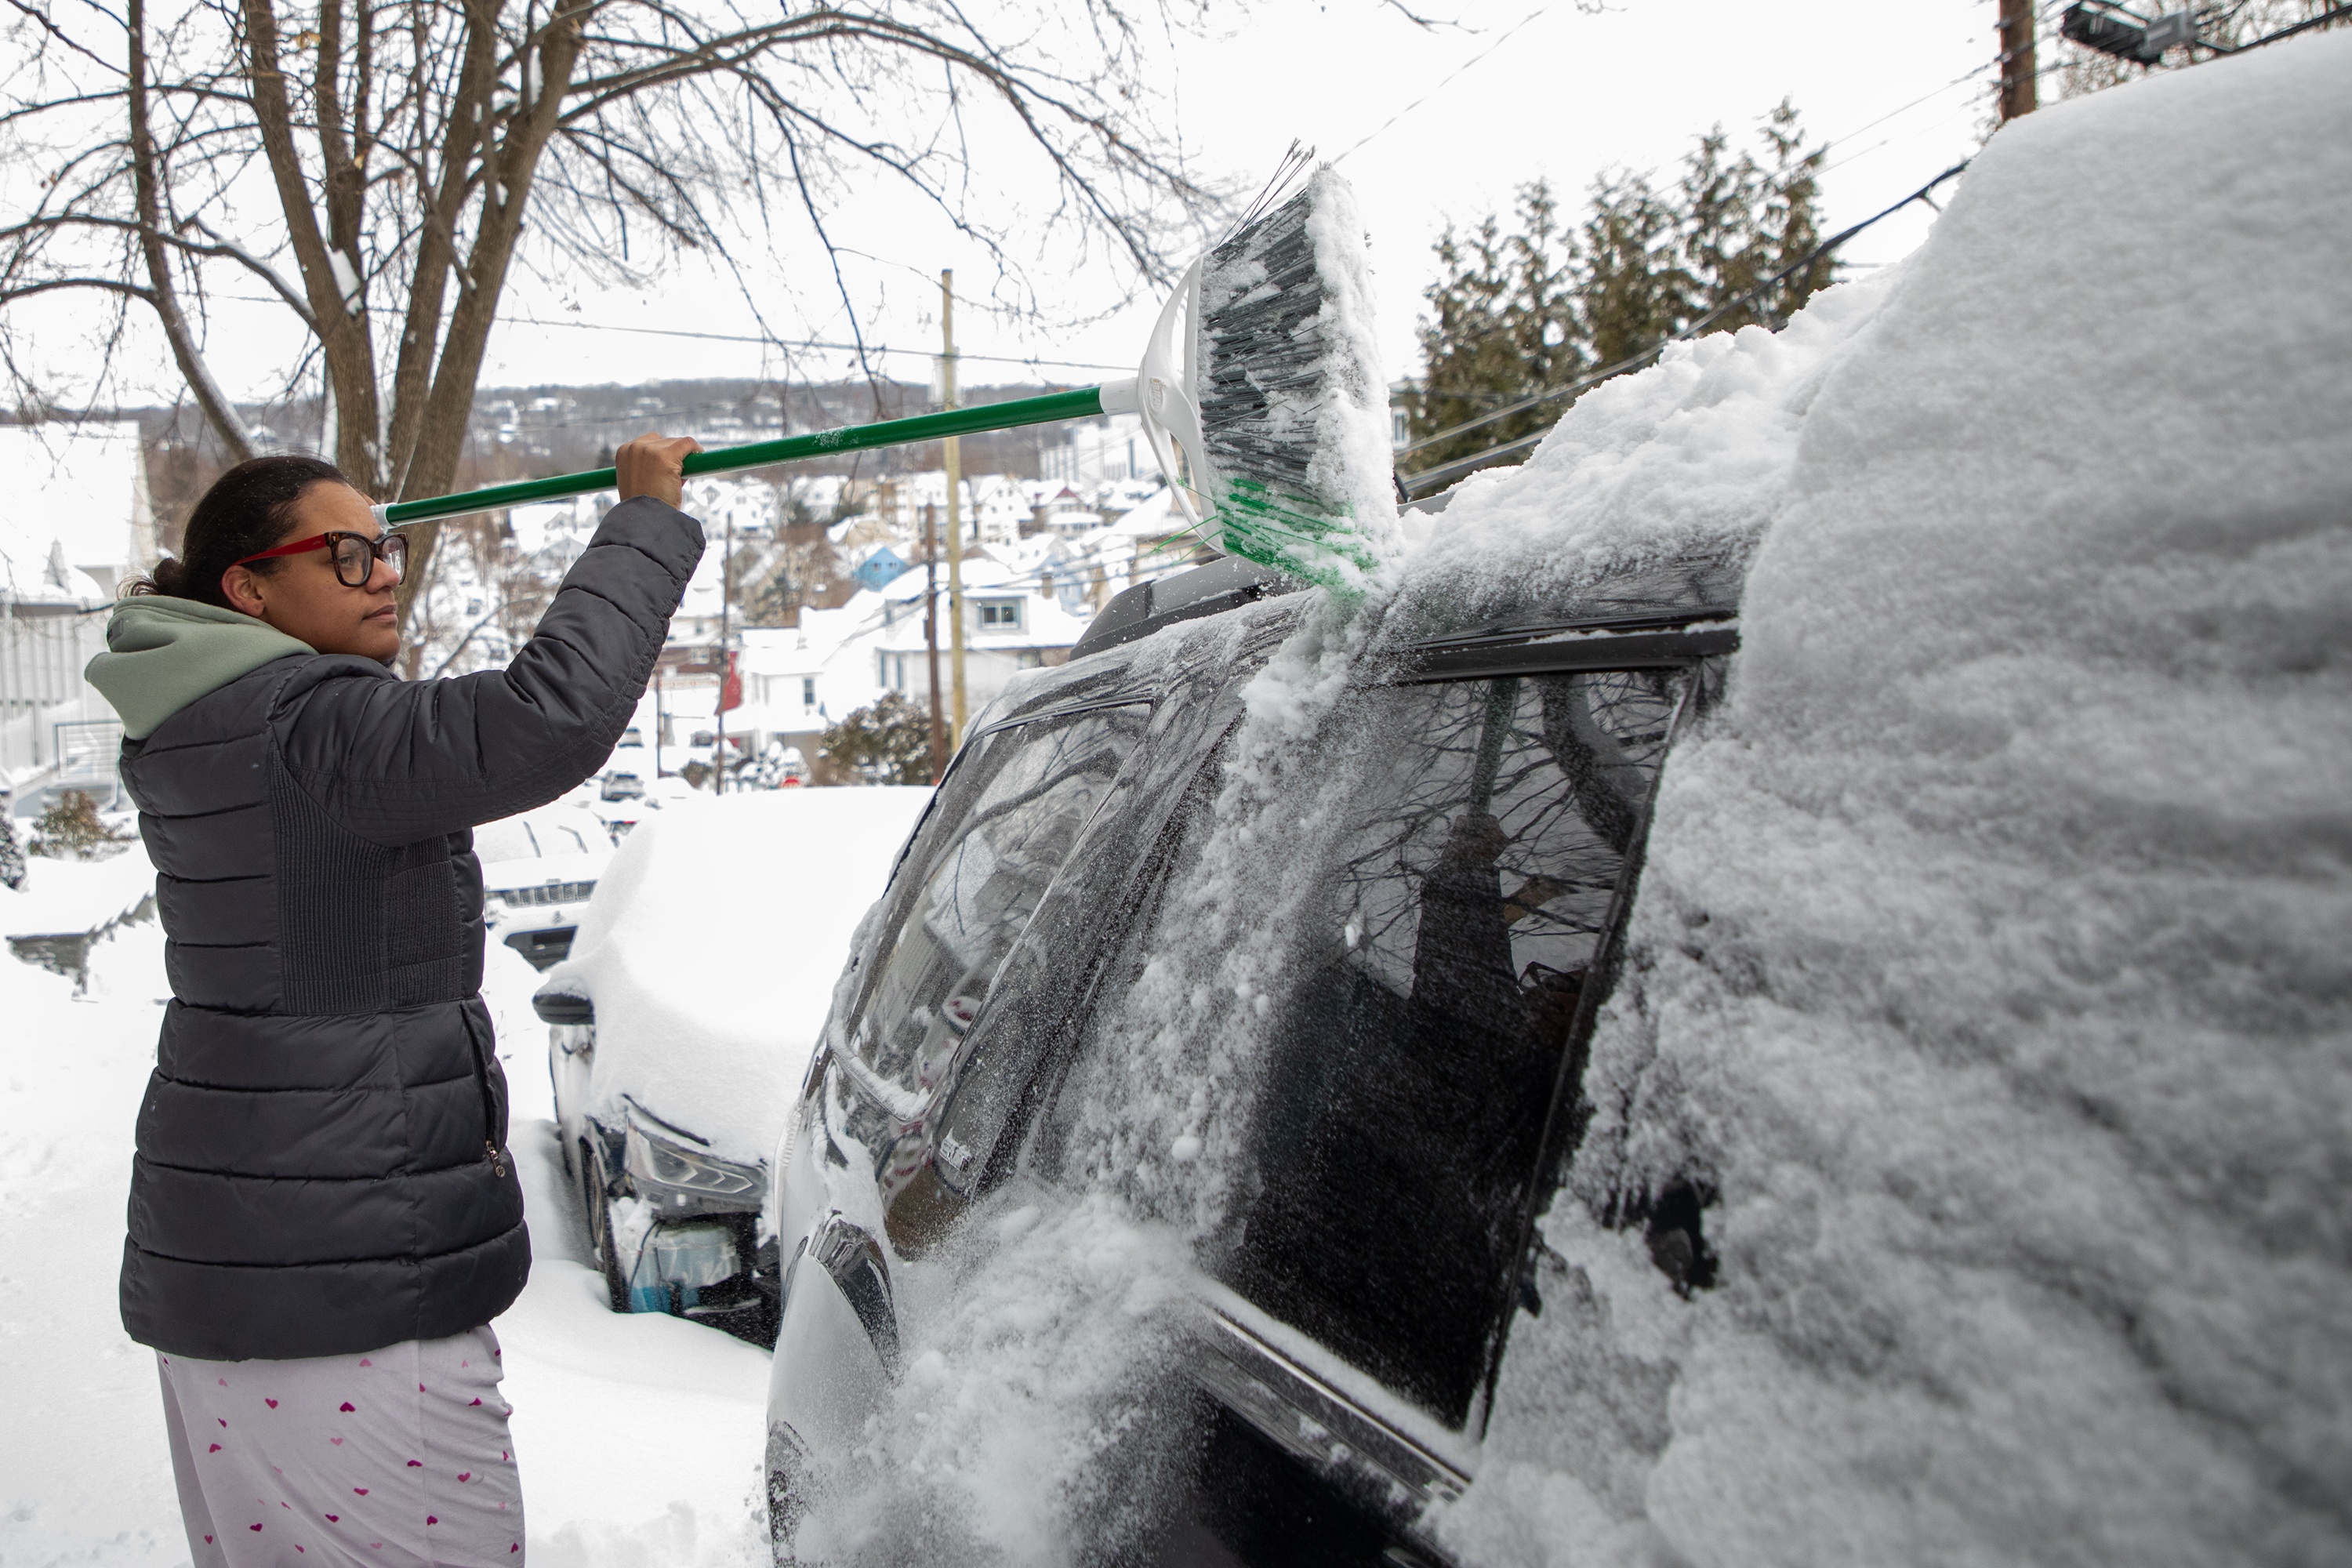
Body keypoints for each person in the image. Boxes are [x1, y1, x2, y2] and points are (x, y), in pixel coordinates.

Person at [85, 435, 704, 1565]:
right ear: (249, 587)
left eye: (388, 549)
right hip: (333, 1278)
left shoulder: (211, 716)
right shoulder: (306, 725)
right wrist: (646, 521)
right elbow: (545, 721)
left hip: (266, 1265)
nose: (387, 576)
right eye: (348, 555)